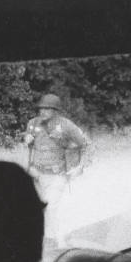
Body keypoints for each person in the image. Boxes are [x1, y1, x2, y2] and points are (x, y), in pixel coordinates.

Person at [23, 94, 88, 247]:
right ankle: (41, 240)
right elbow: (29, 142)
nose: (42, 111)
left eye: (47, 109)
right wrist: (27, 139)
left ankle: (60, 242)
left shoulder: (67, 126)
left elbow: (85, 145)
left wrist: (80, 166)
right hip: (37, 174)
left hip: (57, 176)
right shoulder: (32, 123)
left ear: (55, 110)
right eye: (41, 108)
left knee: (51, 207)